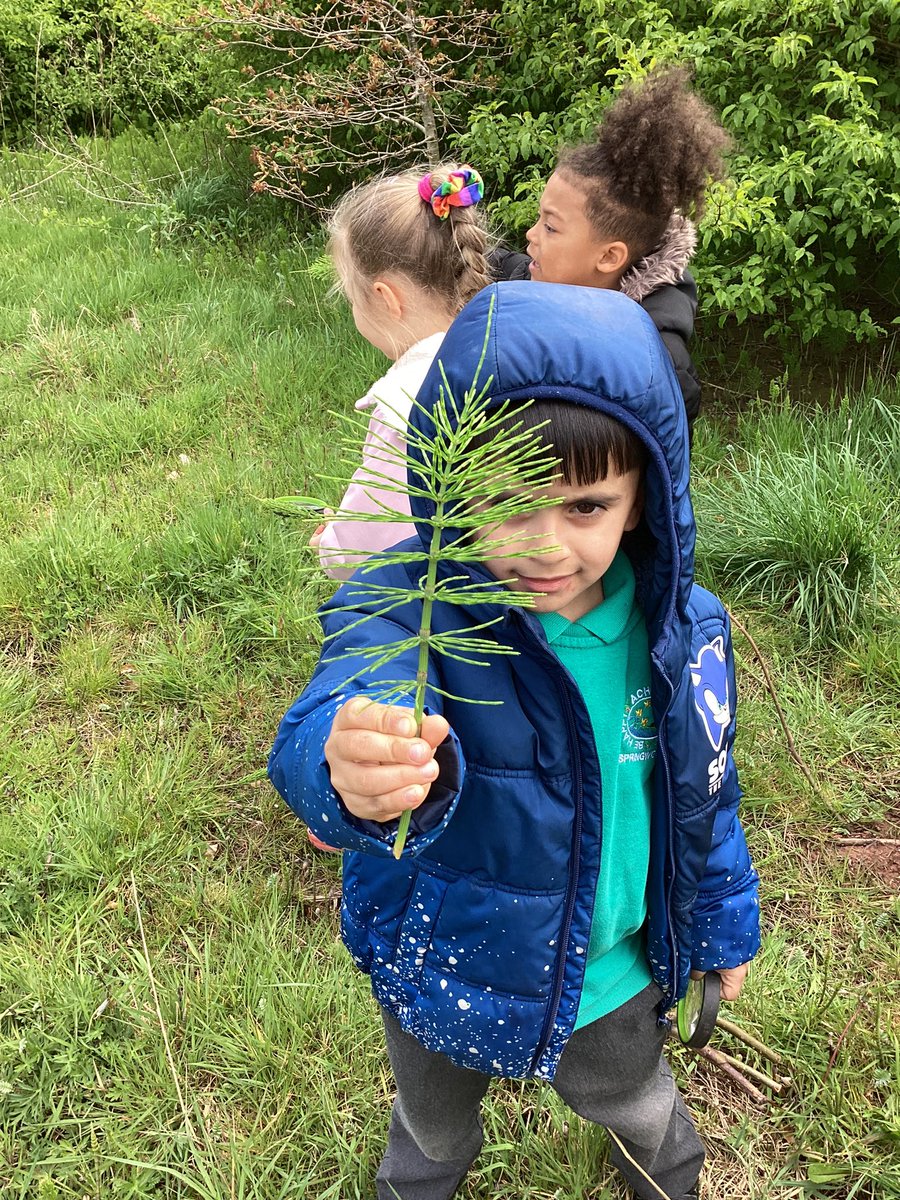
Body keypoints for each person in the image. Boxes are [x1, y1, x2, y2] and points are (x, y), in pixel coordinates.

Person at [269, 282, 760, 1200]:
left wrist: (720, 923)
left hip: (612, 971)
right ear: (450, 482)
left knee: (637, 1105)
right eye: (507, 500)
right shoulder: (407, 608)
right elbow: (339, 701)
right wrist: (346, 761)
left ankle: (667, 1179)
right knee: (431, 1123)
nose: (543, 546)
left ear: (644, 499)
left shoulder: (685, 631)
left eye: (586, 507)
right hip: (444, 960)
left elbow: (707, 790)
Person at [491, 67, 731, 427]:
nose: (530, 234)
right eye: (539, 218)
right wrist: (445, 224)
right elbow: (498, 263)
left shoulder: (652, 369)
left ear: (608, 257)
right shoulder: (549, 278)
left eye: (550, 226)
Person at [311, 164, 490, 581]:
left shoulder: (406, 403)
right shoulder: (497, 349)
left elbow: (368, 542)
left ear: (385, 298)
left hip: (444, 599)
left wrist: (330, 543)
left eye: (351, 298)